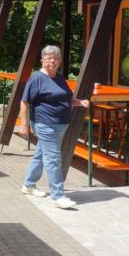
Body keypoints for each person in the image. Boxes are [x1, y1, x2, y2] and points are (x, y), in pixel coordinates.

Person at [20, 45, 88, 209]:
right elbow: (24, 102)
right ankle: (58, 196)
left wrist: (79, 102)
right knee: (53, 159)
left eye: (56, 58)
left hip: (60, 125)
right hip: (44, 124)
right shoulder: (36, 79)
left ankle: (29, 185)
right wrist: (24, 125)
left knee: (41, 155)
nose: (52, 61)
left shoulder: (59, 78)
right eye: (49, 58)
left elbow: (65, 99)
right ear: (42, 60)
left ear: (60, 61)